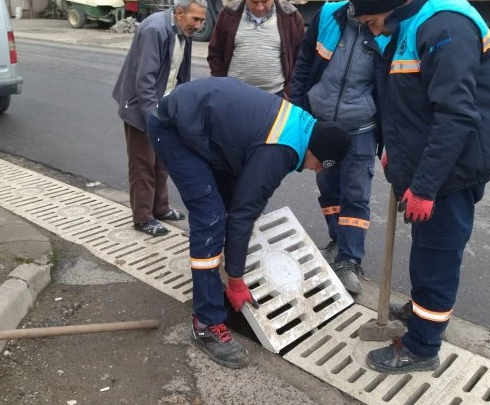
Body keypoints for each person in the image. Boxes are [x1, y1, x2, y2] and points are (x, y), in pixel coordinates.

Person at [348, 0, 490, 374]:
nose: (371, 31)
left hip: (450, 170)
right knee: (427, 252)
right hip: (428, 164)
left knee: (436, 254)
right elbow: (408, 104)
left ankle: (422, 346)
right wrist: (392, 151)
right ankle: (424, 312)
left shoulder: (445, 26)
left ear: (389, 7)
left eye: (370, 22)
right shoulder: (412, 23)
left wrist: (425, 186)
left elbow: (455, 115)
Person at [147, 77, 352, 369]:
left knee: (228, 204)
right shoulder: (282, 150)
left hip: (204, 128)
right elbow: (244, 213)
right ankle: (206, 323)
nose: (314, 170)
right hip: (173, 129)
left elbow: (242, 203)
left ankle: (211, 281)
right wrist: (236, 280)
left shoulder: (303, 126)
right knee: (211, 216)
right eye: (318, 164)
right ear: (317, 152)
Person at [289, 0, 381, 296]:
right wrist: (300, 111)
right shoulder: (328, 15)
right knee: (329, 190)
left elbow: (392, 88)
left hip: (361, 128)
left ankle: (349, 260)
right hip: (322, 125)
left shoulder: (385, 25)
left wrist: (389, 140)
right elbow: (304, 63)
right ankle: (338, 240)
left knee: (356, 194)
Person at [112, 0, 207, 237]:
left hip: (164, 107)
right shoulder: (155, 29)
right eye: (195, 19)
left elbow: (181, 75)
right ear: (179, 12)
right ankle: (143, 218)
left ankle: (160, 207)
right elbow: (145, 80)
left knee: (162, 160)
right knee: (143, 163)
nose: (198, 26)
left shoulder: (183, 31)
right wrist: (151, 119)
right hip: (141, 107)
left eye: (201, 21)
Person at [208, 0, 305, 97]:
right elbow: (215, 53)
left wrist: (289, 90)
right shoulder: (228, 14)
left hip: (275, 95)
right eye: (254, 2)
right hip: (234, 94)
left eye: (265, 1)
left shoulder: (291, 16)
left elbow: (301, 57)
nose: (260, 7)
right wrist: (222, 84)